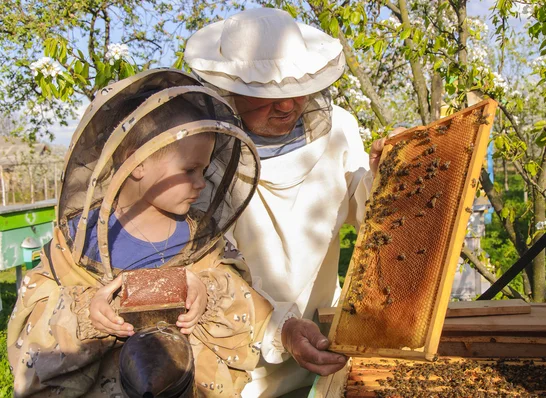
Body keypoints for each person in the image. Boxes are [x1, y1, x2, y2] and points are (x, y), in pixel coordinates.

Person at [7, 69, 273, 397]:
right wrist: (87, 311)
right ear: (137, 163)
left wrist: (206, 290)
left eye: (203, 170)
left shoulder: (199, 236)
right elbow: (35, 305)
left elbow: (236, 287)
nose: (201, 183)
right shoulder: (79, 241)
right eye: (189, 170)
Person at [185, 8, 386, 396]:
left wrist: (384, 175)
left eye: (296, 88)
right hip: (239, 369)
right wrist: (280, 328)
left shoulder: (340, 129)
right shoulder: (201, 154)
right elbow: (211, 272)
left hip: (328, 347)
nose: (287, 105)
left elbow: (369, 219)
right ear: (230, 89)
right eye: (266, 94)